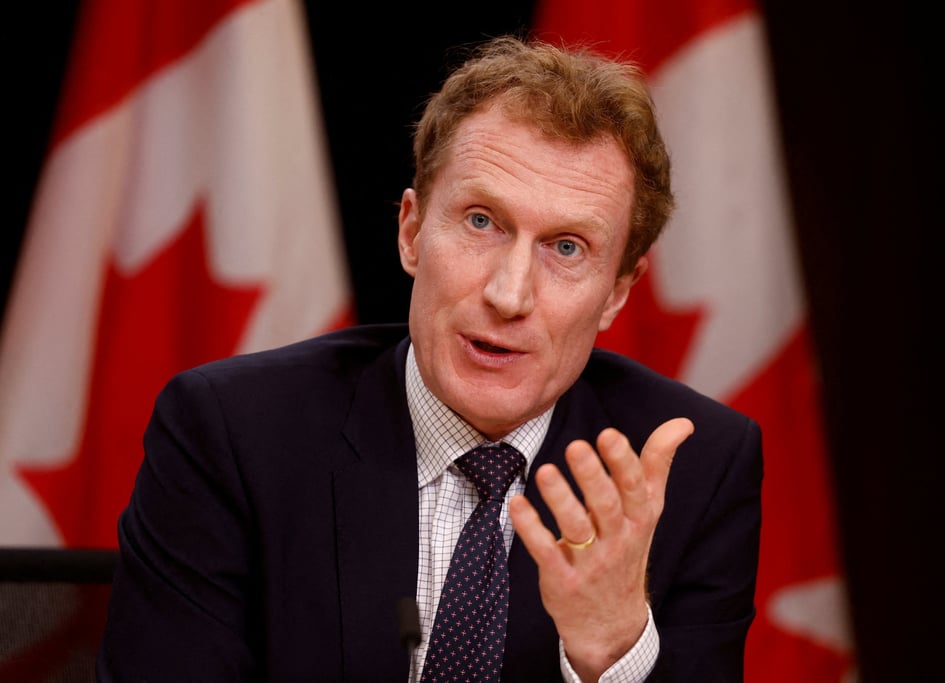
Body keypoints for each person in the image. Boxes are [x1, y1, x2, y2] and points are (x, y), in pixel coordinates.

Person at [97, 34, 762, 682]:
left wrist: (612, 652)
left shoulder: (696, 474)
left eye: (567, 248)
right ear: (412, 231)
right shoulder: (234, 434)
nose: (509, 295)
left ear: (617, 291)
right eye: (481, 221)